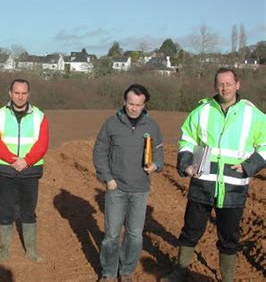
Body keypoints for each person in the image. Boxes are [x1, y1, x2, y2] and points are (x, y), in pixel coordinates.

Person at [162, 68, 265, 282]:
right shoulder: (202, 110)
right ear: (214, 86)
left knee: (229, 237)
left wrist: (249, 165)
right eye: (220, 83)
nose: (224, 87)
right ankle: (179, 271)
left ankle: (227, 278)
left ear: (238, 85)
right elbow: (187, 139)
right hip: (203, 183)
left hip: (233, 188)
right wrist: (186, 163)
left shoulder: (252, 114)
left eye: (228, 83)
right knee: (191, 230)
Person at [93, 84, 164, 282]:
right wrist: (107, 178)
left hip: (140, 189)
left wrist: (156, 165)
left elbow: (159, 152)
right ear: (124, 102)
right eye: (131, 104)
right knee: (112, 235)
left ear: (144, 105)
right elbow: (100, 151)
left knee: (134, 235)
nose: (134, 108)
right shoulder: (111, 124)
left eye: (138, 105)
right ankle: (108, 273)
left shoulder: (152, 126)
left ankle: (126, 272)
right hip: (116, 188)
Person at [0, 79, 49, 262]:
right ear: (10, 93)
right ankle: (4, 251)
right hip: (6, 170)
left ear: (28, 94)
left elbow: (42, 144)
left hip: (29, 170)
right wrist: (12, 160)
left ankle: (31, 251)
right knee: (5, 210)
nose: (20, 96)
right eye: (17, 93)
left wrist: (27, 161)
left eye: (24, 93)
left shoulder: (40, 116)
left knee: (28, 210)